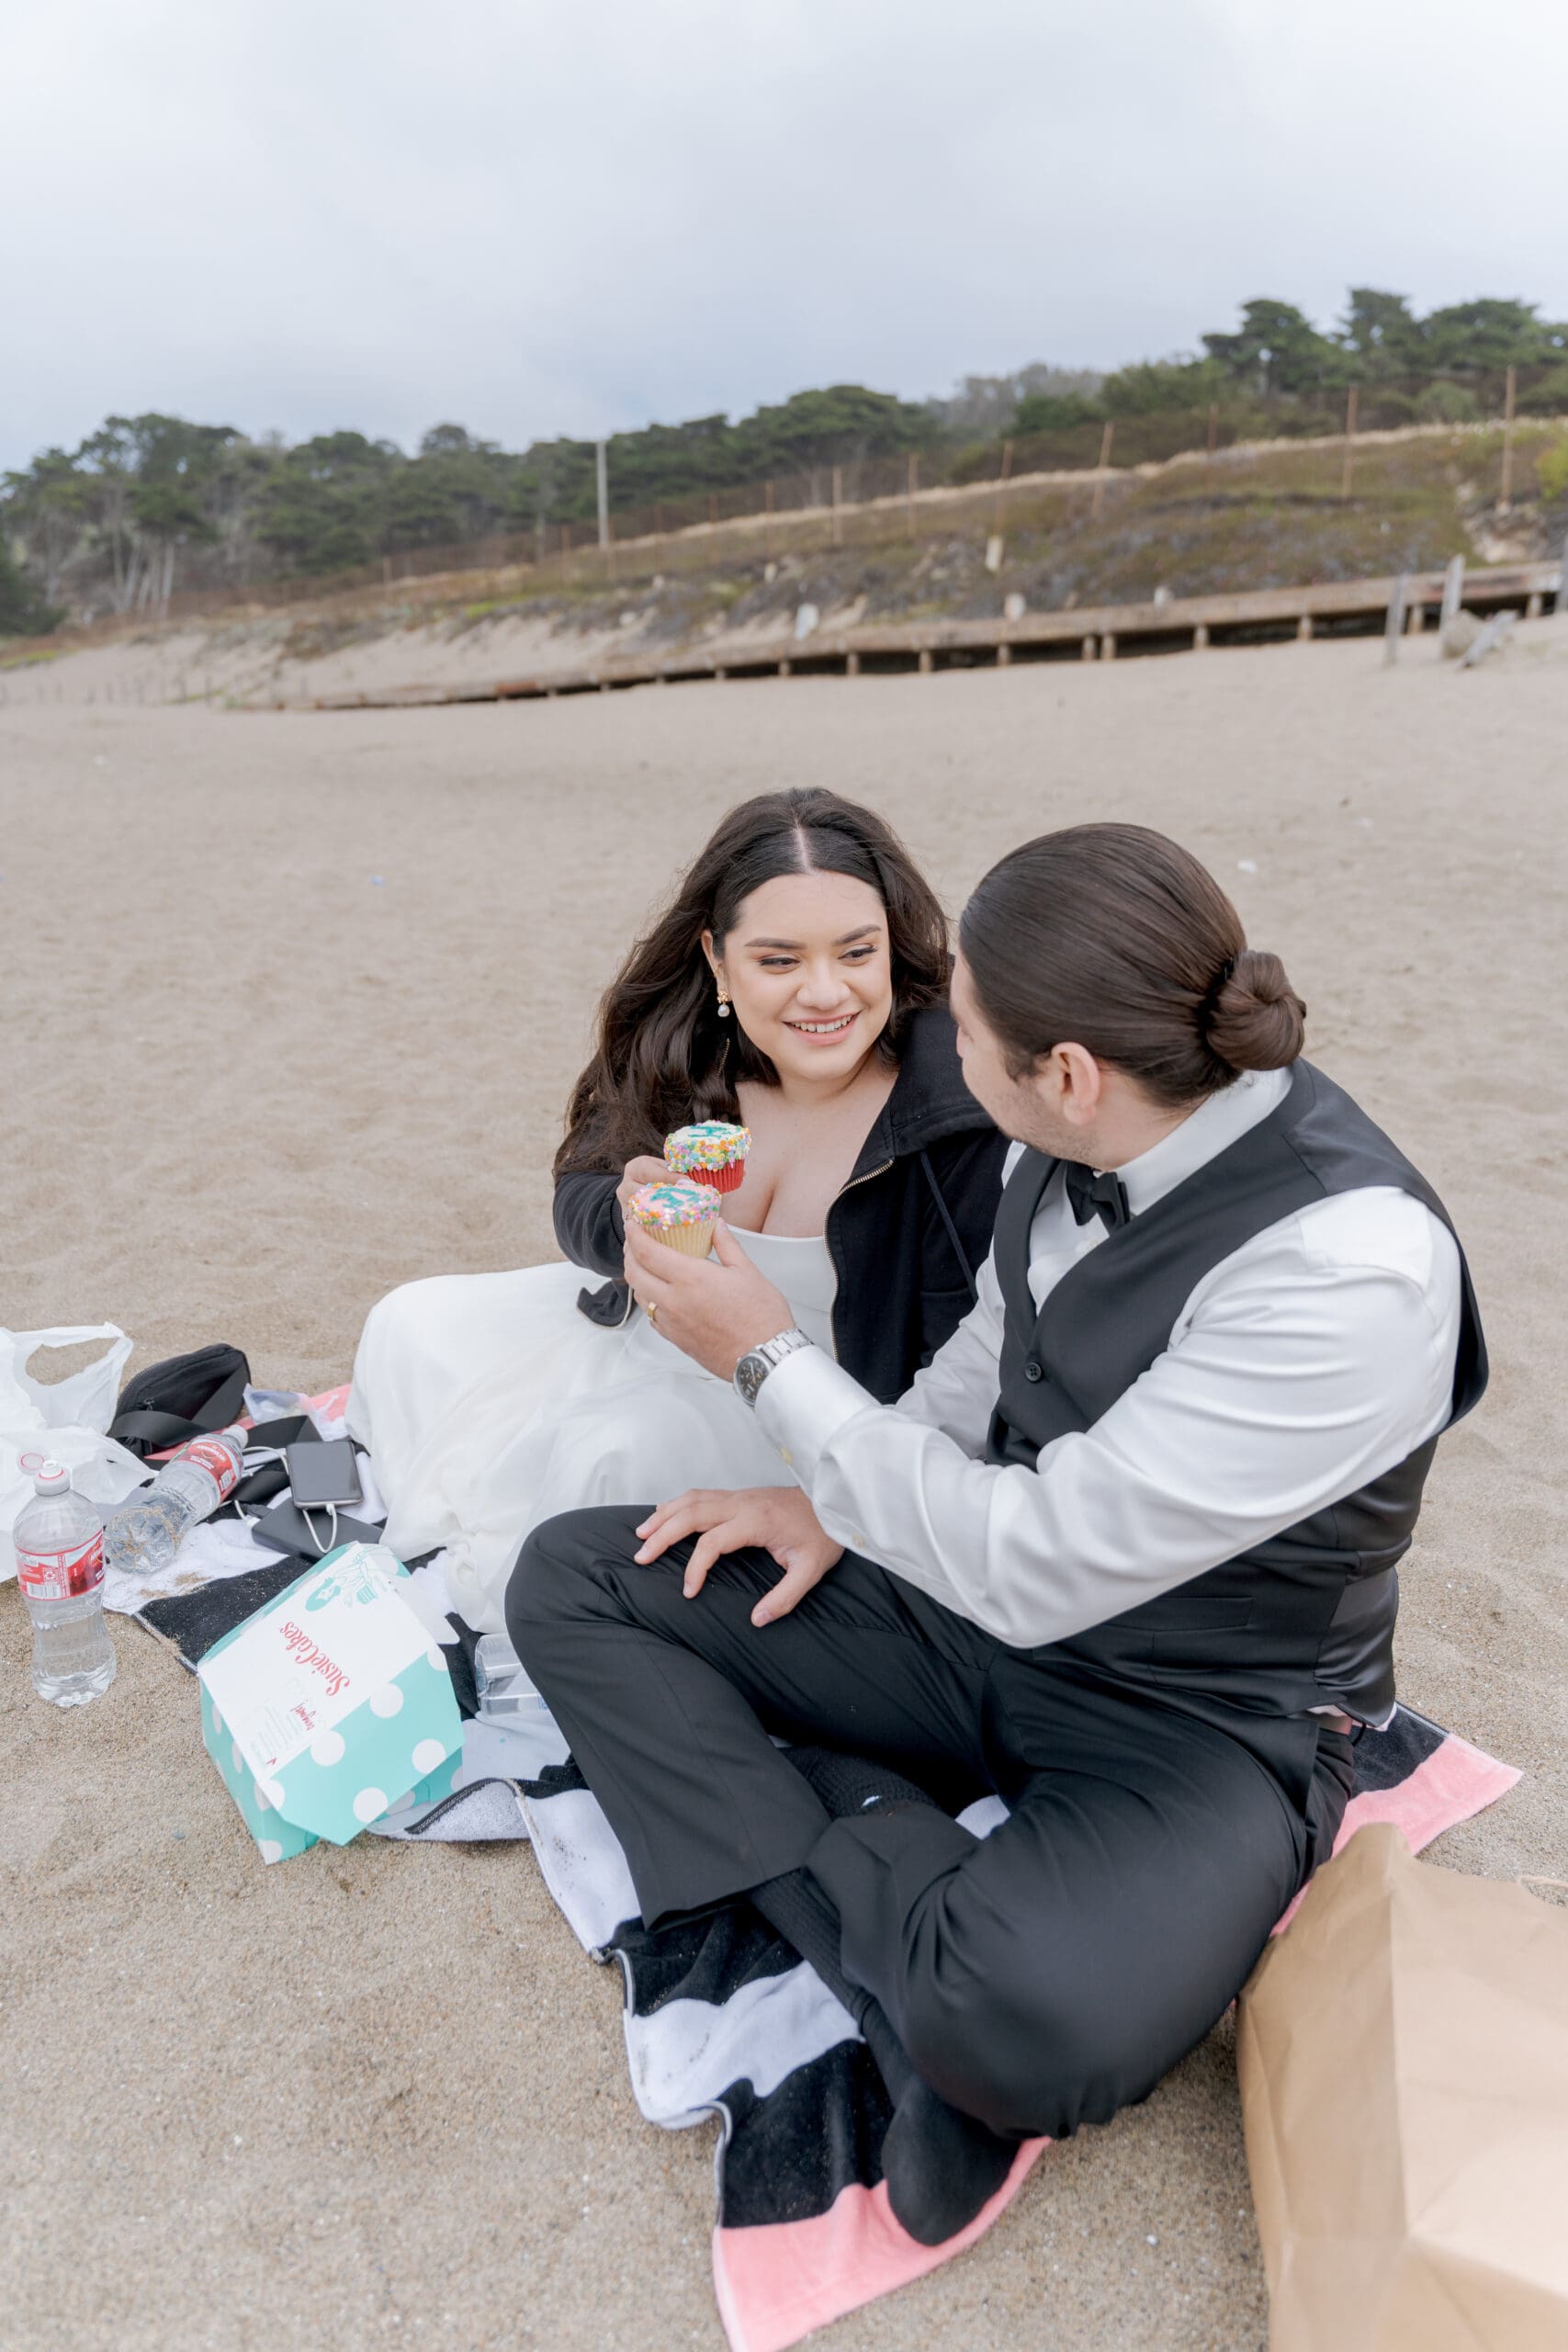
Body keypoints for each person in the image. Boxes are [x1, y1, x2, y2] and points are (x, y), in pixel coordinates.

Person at [505, 821, 1486, 2245]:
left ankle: (839, 1831)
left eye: (956, 1028)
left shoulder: (1347, 1269)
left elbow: (1035, 1565)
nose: (929, 1044)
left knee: (1021, 2026)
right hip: (967, 1597)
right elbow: (985, 1362)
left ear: (1066, 1072)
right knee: (581, 1577)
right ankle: (879, 1952)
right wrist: (821, 1499)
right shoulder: (1078, 1126)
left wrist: (769, 1363)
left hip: (1204, 1710)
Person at [348, 788, 1006, 1631]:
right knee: (410, 1320)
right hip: (637, 1327)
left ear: (890, 946)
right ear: (717, 959)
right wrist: (625, 1216)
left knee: (605, 1455)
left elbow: (970, 1366)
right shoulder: (689, 1054)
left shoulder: (948, 1111)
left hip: (800, 1398)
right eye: (778, 960)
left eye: (855, 952)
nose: (824, 992)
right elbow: (578, 1192)